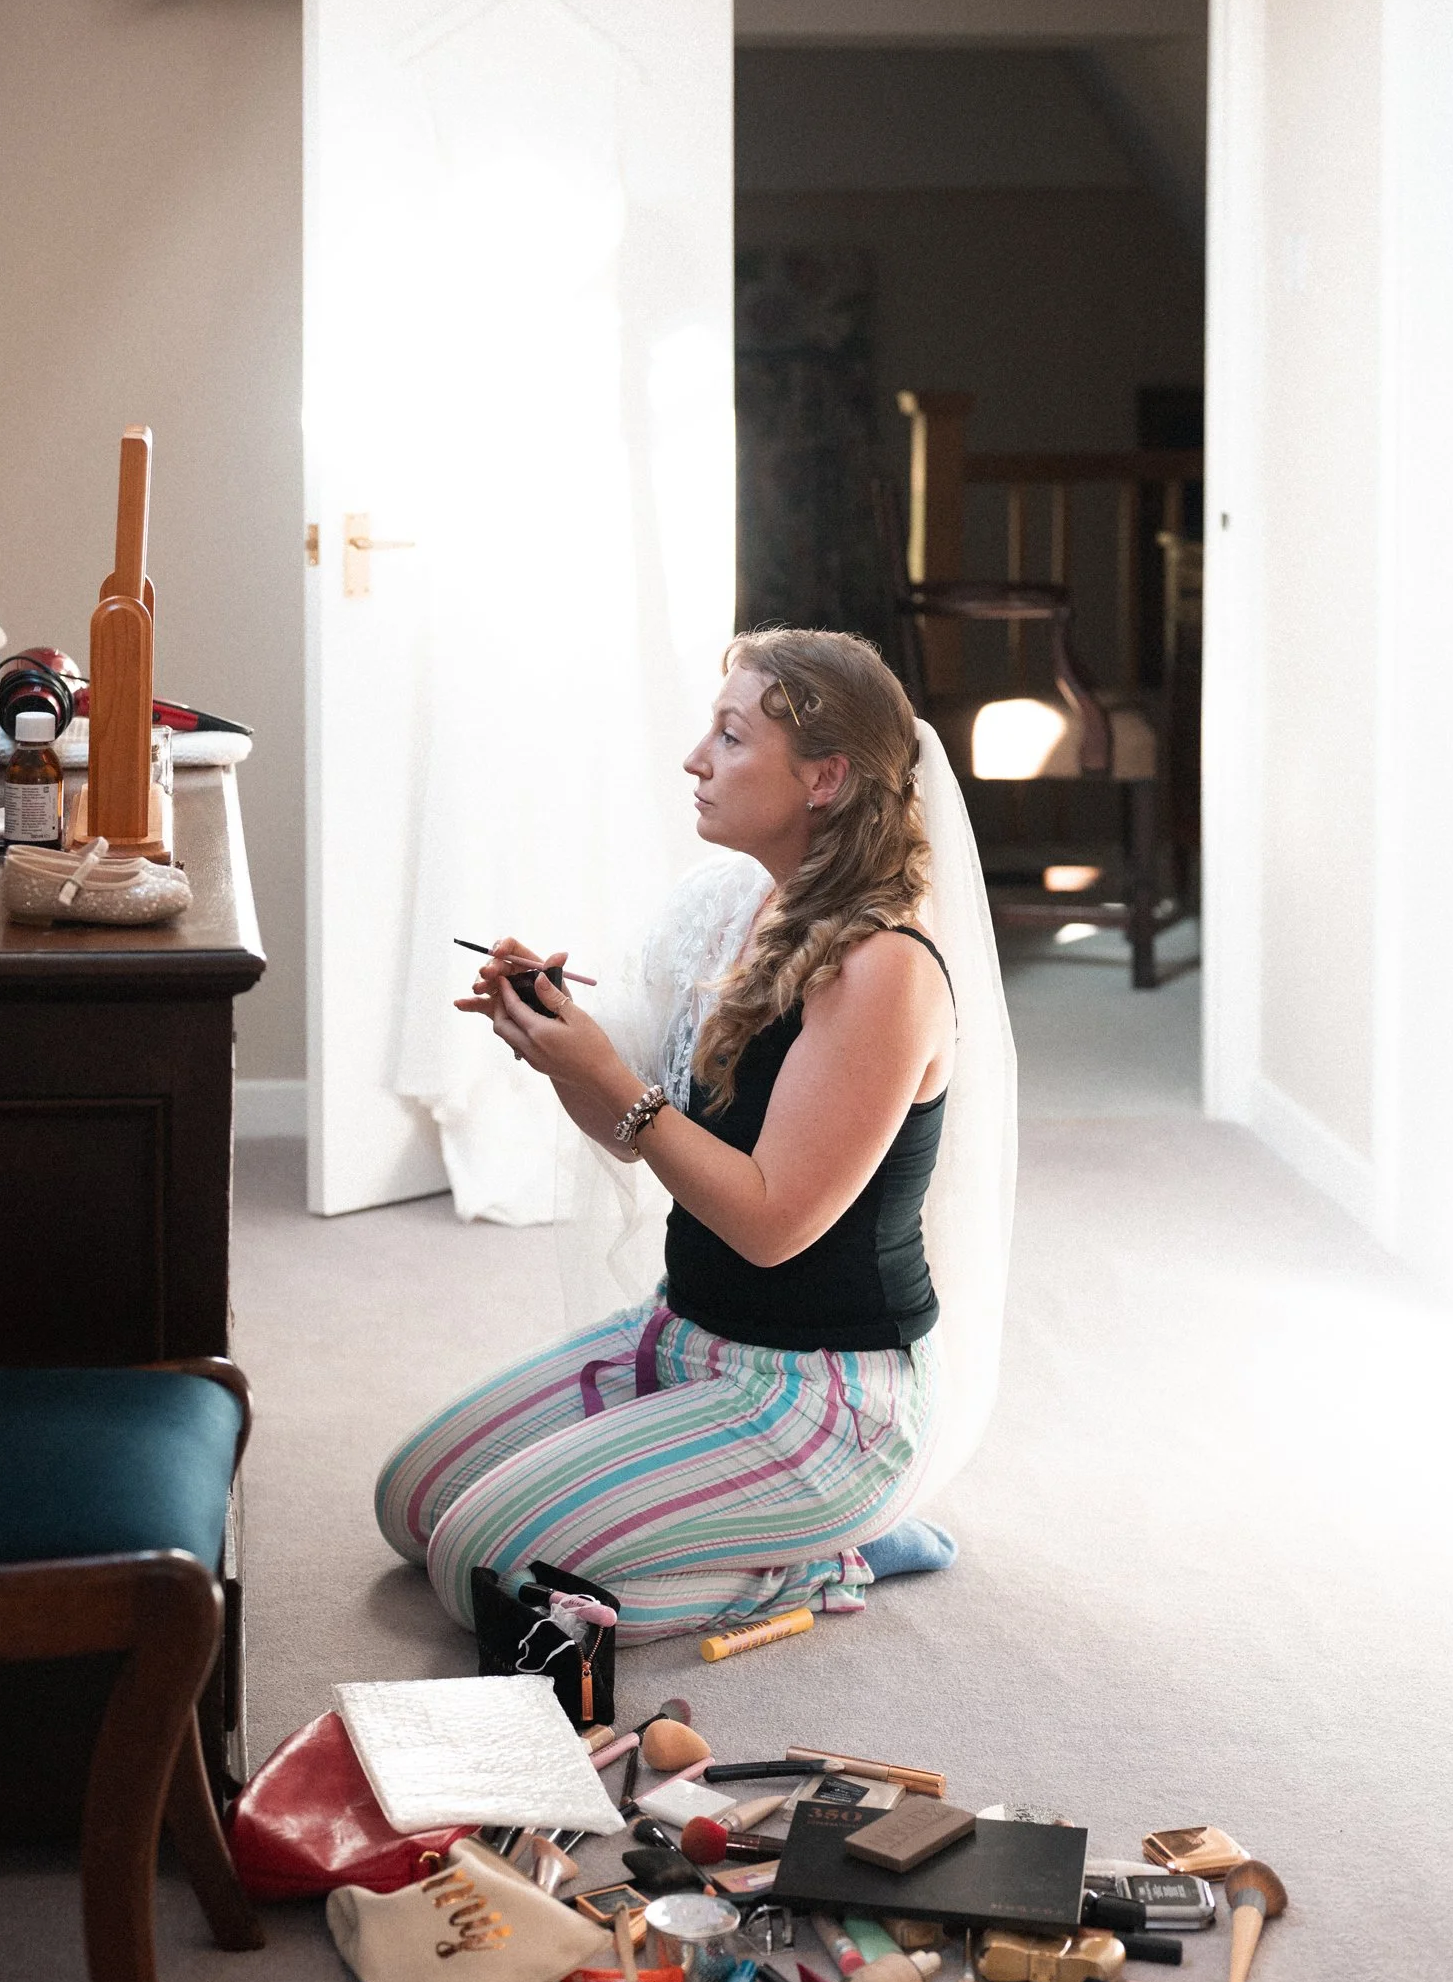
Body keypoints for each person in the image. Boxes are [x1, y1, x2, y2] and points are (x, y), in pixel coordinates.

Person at [375, 627, 1015, 1643]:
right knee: (409, 1502)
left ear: (824, 778)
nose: (693, 759)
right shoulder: (734, 904)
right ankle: (743, 1528)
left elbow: (769, 1224)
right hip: (687, 1336)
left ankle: (824, 1555)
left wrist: (613, 1079)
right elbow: (638, 1133)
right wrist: (560, 1052)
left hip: (821, 1402)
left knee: (479, 1568)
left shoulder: (882, 965)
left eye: (728, 735)